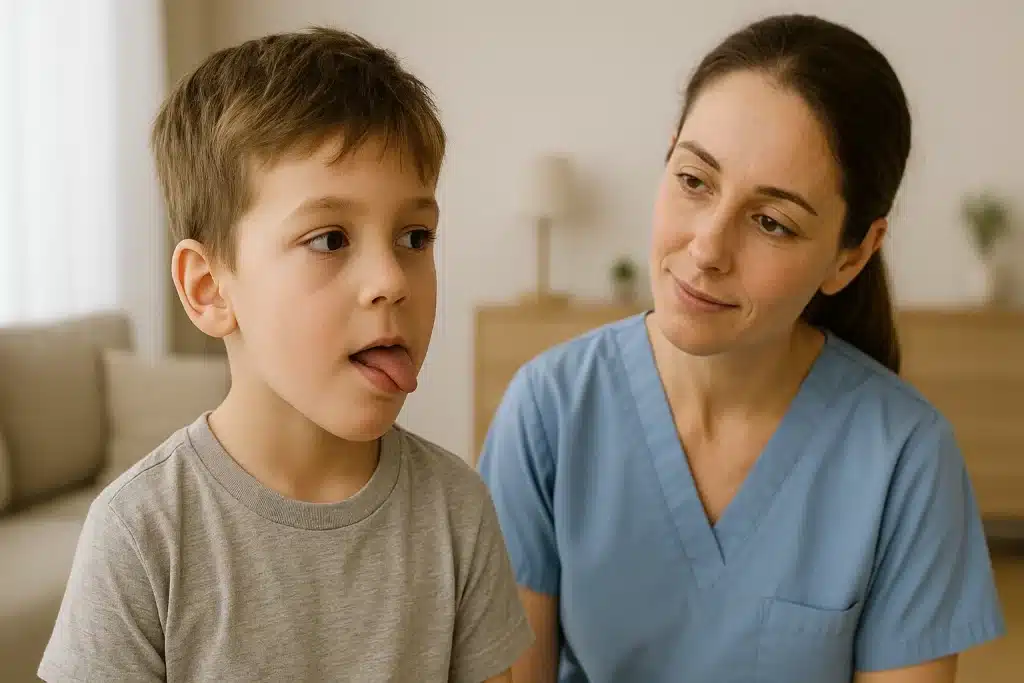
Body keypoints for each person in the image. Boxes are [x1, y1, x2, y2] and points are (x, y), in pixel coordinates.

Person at [478, 13, 1005, 683]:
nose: (706, 249)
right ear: (668, 157)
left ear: (852, 255)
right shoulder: (549, 411)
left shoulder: (907, 459)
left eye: (772, 222)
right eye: (694, 181)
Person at [39, 27, 531, 683]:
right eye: (330, 239)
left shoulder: (456, 511)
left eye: (415, 235)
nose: (392, 278)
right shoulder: (140, 532)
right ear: (209, 288)